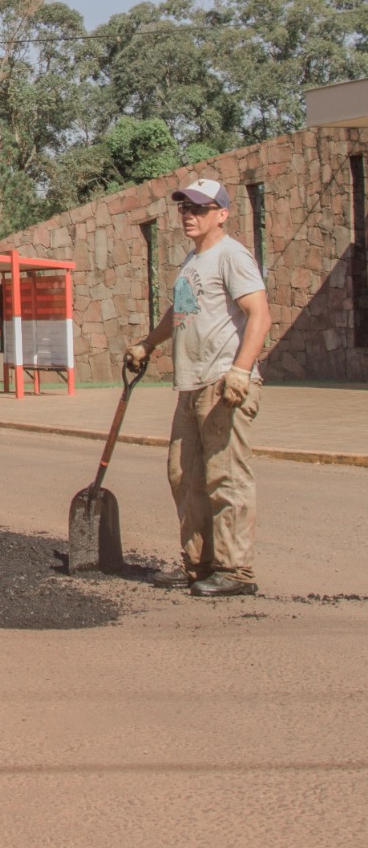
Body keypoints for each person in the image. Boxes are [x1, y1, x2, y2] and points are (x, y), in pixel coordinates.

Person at [125, 178, 271, 598]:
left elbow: (259, 315)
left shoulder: (232, 256)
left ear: (221, 214)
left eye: (199, 209)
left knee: (227, 477)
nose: (188, 215)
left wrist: (240, 371)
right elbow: (182, 310)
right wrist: (148, 343)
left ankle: (235, 570)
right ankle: (199, 563)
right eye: (184, 208)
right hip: (191, 386)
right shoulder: (193, 260)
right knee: (185, 475)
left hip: (223, 383)